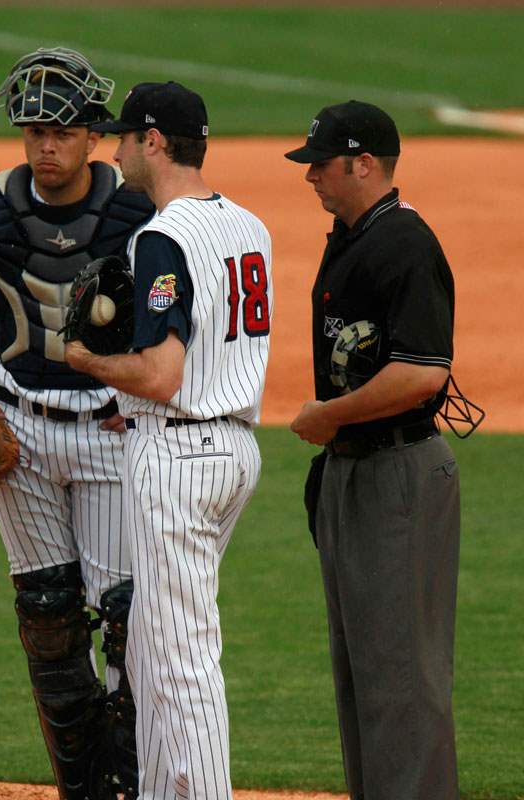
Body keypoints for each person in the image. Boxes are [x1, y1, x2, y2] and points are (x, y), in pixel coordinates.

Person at [0, 48, 154, 799]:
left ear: (92, 133)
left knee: (125, 621)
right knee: (49, 619)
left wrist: (147, 399)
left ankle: (133, 784)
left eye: (60, 132)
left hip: (109, 434)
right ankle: (82, 790)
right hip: (20, 435)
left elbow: (184, 315)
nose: (45, 147)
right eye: (33, 131)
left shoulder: (139, 213)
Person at [66, 81, 272, 800]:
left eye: (126, 137)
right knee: (154, 645)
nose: (116, 149)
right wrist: (134, 399)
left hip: (180, 458)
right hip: (231, 447)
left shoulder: (163, 236)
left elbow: (160, 374)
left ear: (155, 142)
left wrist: (89, 364)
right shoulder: (248, 225)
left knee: (182, 659)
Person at [285, 100, 460, 800]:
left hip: (398, 474)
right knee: (360, 674)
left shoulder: (405, 244)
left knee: (403, 683)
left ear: (364, 163)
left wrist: (331, 416)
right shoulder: (353, 235)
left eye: (322, 165)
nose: (311, 178)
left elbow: (424, 371)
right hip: (354, 472)